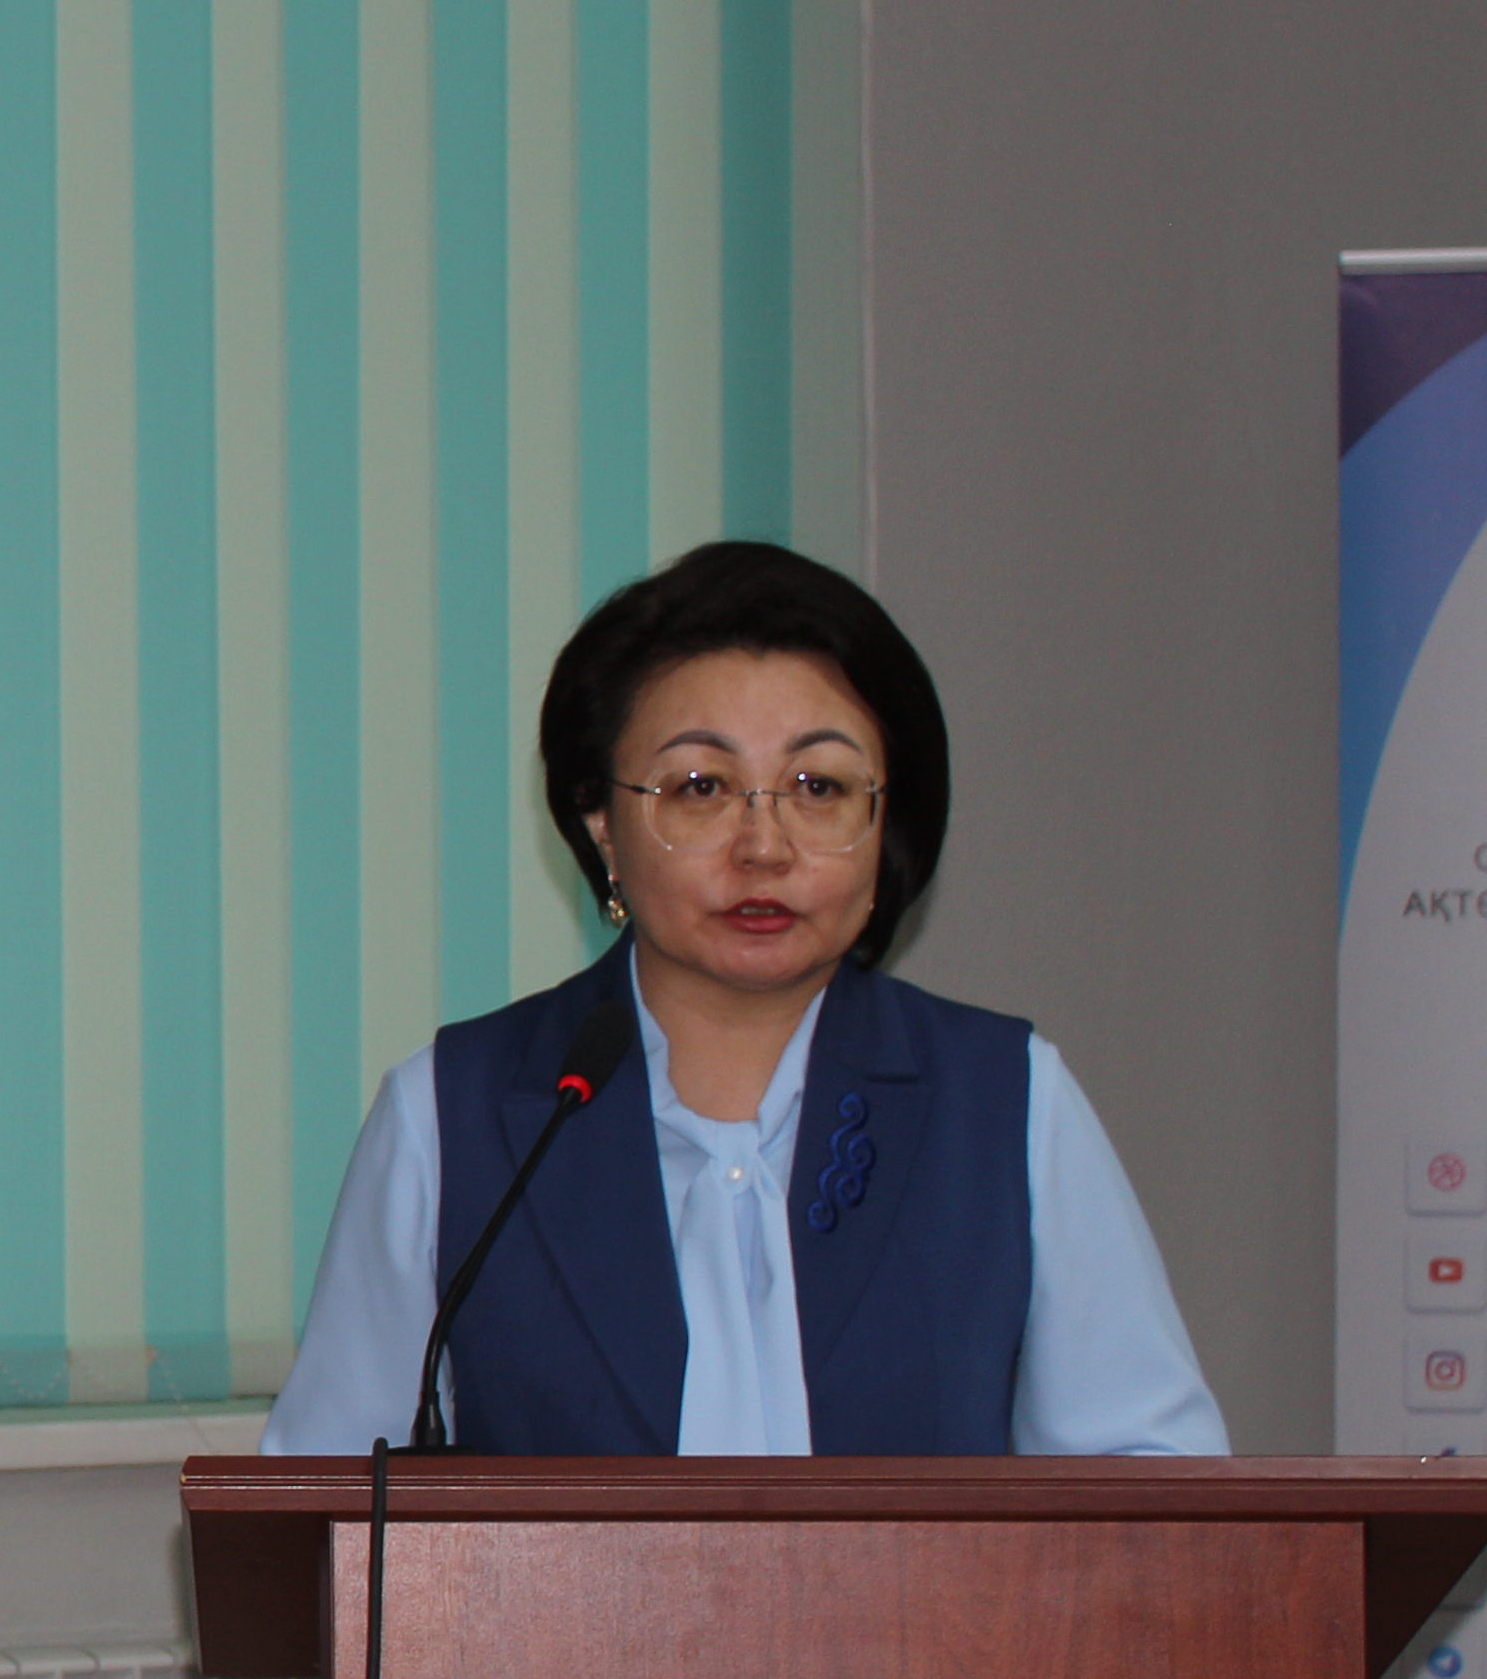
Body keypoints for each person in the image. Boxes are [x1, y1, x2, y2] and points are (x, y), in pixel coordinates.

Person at [261, 541, 1221, 1457]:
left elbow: (1150, 1482)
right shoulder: (453, 1116)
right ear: (601, 824)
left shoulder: (1007, 1104)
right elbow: (330, 1500)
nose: (765, 846)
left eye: (819, 787)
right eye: (700, 787)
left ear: (886, 824)